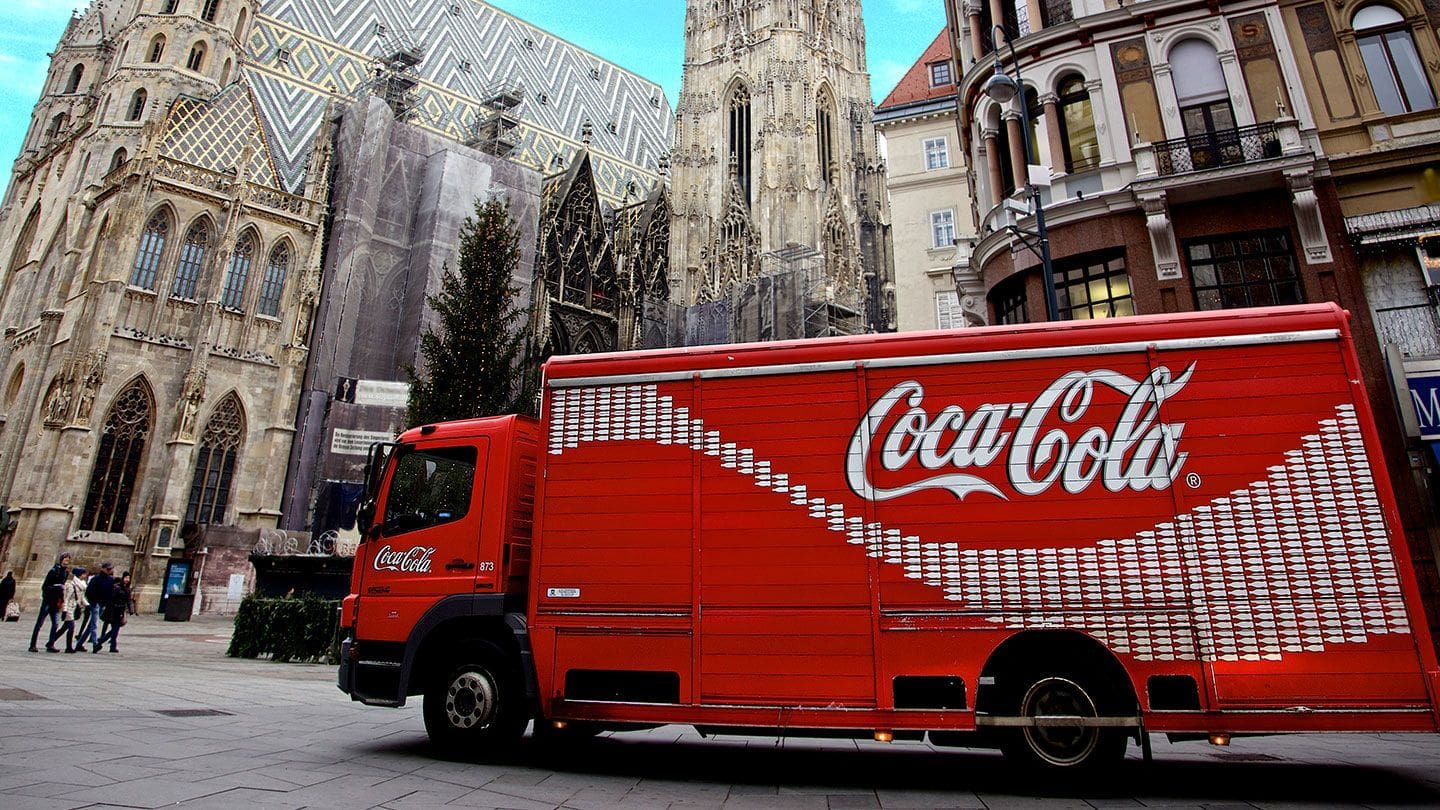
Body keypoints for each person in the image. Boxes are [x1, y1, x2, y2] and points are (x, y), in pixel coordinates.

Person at [29, 552, 70, 652]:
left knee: (55, 624)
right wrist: (56, 587)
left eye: (68, 560)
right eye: (65, 559)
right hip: (48, 600)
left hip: (56, 602)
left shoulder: (65, 572)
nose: (67, 562)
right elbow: (45, 586)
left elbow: (62, 587)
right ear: (61, 560)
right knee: (39, 624)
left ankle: (51, 644)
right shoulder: (53, 571)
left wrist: (62, 599)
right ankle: (32, 645)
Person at [47, 567, 83, 653]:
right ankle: (69, 647)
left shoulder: (76, 585)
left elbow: (80, 596)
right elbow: (65, 599)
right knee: (71, 627)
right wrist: (65, 610)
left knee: (64, 628)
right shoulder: (68, 585)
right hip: (68, 609)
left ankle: (50, 642)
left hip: (72, 608)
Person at [95, 569, 130, 654]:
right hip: (114, 610)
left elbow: (128, 600)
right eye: (126, 578)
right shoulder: (117, 587)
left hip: (120, 611)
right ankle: (100, 643)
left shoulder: (127, 588)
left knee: (115, 630)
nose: (127, 580)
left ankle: (111, 646)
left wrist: (131, 609)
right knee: (114, 629)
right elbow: (112, 599)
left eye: (128, 578)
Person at [87, 562, 114, 653]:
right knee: (94, 624)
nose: (109, 571)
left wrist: (107, 603)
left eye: (110, 569)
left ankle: (79, 643)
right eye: (108, 569)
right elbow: (89, 591)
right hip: (96, 604)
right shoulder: (96, 579)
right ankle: (95, 644)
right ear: (103, 569)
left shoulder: (110, 580)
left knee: (91, 625)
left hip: (103, 604)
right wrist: (93, 602)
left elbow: (110, 593)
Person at [74, 567, 99, 649]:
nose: (85, 576)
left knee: (89, 623)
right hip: (73, 606)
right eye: (83, 574)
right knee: (69, 626)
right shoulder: (73, 584)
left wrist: (86, 605)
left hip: (84, 606)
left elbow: (82, 596)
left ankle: (79, 642)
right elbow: (73, 597)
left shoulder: (83, 583)